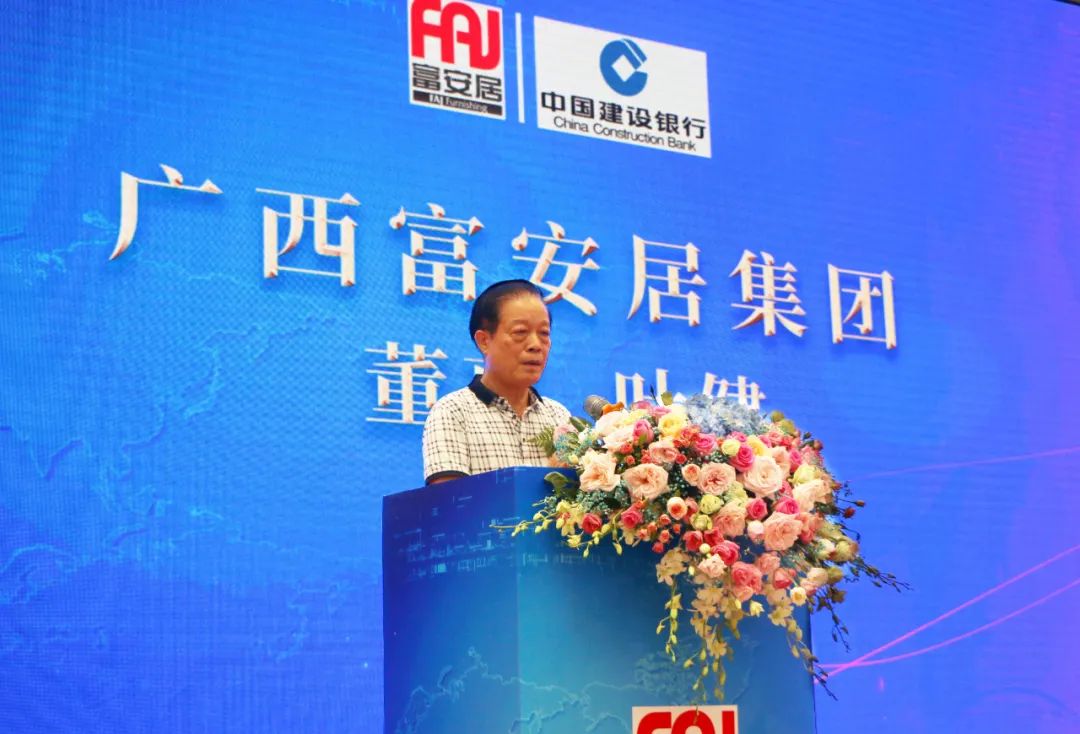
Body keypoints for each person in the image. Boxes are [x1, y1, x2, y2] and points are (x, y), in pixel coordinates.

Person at [422, 280, 571, 484]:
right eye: (520, 332)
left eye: (544, 333)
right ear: (484, 341)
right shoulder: (453, 412)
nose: (536, 345)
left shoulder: (559, 417)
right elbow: (449, 501)